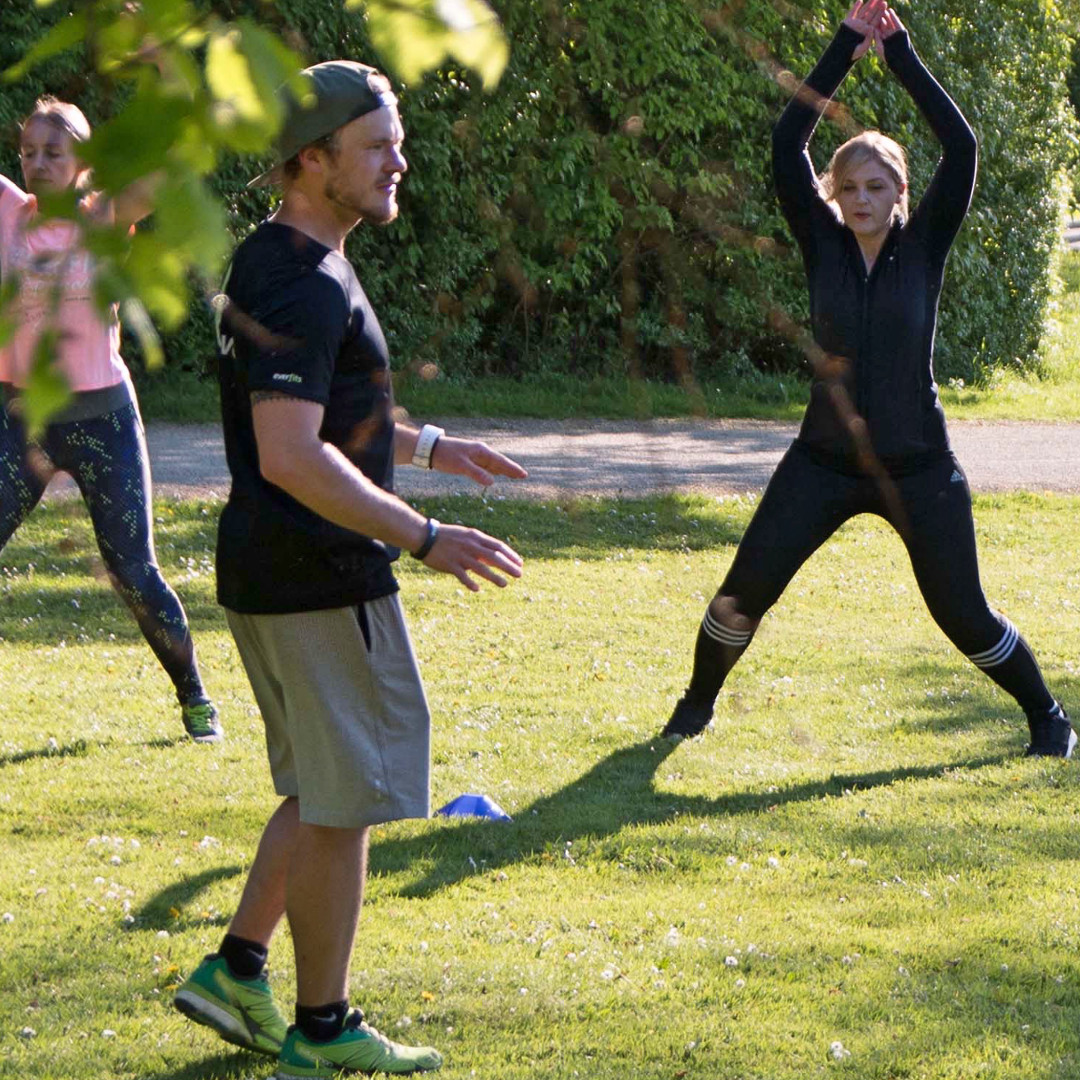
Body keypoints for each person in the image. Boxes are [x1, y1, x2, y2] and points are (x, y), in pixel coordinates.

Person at [173, 61, 526, 1077]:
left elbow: (329, 413)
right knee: (350, 798)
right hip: (321, 574)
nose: (397, 161)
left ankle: (240, 968)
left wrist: (430, 447)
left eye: (396, 140)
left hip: (272, 570)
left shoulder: (285, 258)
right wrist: (423, 535)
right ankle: (322, 1030)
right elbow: (291, 452)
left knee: (319, 789)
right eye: (376, 146)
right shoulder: (300, 279)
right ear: (310, 160)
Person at [661, 2, 1074, 758]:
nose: (861, 200)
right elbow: (789, 139)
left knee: (965, 616)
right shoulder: (821, 244)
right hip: (821, 463)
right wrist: (844, 46)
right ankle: (693, 707)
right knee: (741, 594)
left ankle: (1049, 717)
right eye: (849, 188)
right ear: (833, 196)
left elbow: (961, 142)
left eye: (876, 187)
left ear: (900, 194)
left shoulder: (926, 247)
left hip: (918, 469)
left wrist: (901, 57)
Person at [0, 96, 221, 742]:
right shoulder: (8, 212)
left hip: (104, 422)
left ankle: (195, 697)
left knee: (133, 572)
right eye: (29, 153)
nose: (38, 164)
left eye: (54, 153)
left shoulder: (107, 215)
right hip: (20, 420)